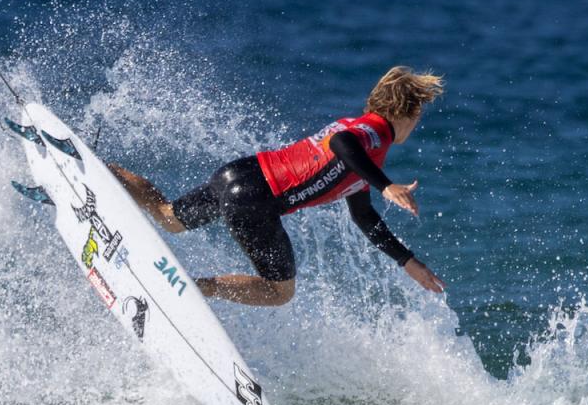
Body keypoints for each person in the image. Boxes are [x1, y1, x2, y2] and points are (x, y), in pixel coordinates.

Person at [110, 66, 447, 306]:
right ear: (408, 113)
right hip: (256, 200)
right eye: (418, 117)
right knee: (278, 292)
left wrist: (407, 261)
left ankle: (108, 171)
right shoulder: (373, 134)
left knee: (168, 217)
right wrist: (386, 186)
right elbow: (342, 144)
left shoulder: (363, 143)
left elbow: (363, 215)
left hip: (239, 174)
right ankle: (192, 289)